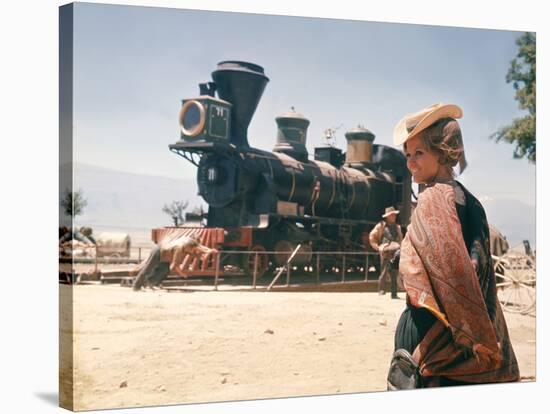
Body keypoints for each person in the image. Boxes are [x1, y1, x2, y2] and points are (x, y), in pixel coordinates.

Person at [388, 103, 519, 389]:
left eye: (419, 153)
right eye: (408, 155)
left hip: (431, 334)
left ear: (444, 151)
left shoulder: (433, 199)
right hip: (470, 336)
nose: (410, 163)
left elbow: (452, 280)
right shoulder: (470, 201)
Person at [132, 233, 217, 291]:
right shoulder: (180, 248)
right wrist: (182, 274)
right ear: (190, 247)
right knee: (148, 268)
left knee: (164, 270)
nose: (195, 251)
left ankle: (150, 283)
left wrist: (209, 251)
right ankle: (136, 286)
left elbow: (199, 247)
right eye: (194, 250)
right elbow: (175, 265)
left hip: (165, 257)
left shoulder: (189, 245)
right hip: (159, 252)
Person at [369, 206, 403, 298]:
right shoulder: (381, 225)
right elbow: (372, 236)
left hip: (395, 251)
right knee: (383, 271)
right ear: (387, 216)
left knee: (394, 272)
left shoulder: (397, 227)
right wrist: (378, 247)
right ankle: (381, 290)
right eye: (392, 215)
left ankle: (394, 293)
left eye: (394, 215)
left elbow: (400, 239)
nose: (394, 217)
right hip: (386, 251)